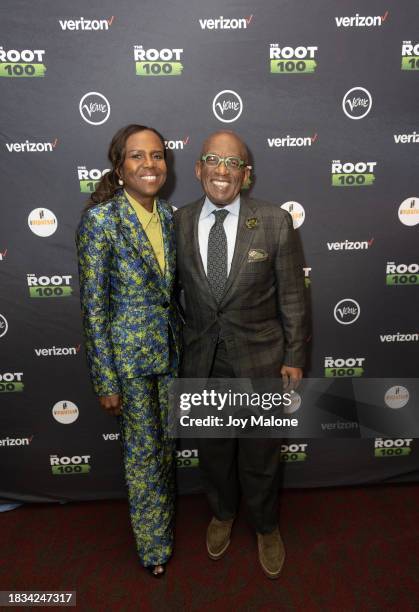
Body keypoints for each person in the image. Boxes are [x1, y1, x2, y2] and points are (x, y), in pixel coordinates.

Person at [175, 131, 307, 579]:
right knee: (213, 453)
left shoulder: (274, 221)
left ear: (245, 175)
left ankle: (267, 526)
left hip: (261, 360)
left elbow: (292, 295)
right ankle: (222, 514)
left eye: (233, 164)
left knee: (260, 455)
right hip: (202, 362)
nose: (222, 171)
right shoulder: (178, 221)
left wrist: (294, 356)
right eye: (213, 160)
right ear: (198, 168)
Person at [76, 124, 181, 578]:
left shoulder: (172, 216)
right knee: (142, 455)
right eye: (137, 157)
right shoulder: (100, 221)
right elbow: (93, 308)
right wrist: (106, 379)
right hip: (129, 362)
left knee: (168, 448)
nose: (149, 165)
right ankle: (154, 549)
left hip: (171, 354)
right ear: (119, 168)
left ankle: (166, 524)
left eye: (157, 156)